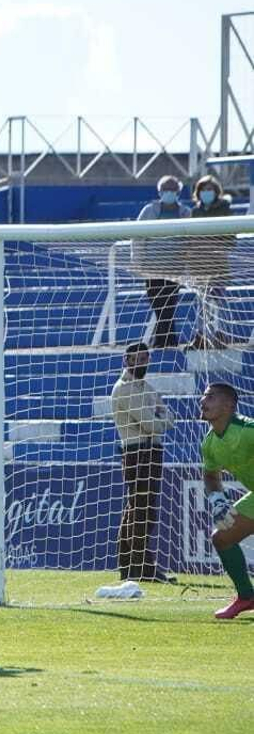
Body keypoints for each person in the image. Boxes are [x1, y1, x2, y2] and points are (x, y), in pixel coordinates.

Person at [109, 342, 173, 585]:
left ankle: (131, 565)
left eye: (144, 359)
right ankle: (140, 566)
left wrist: (159, 420)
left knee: (140, 507)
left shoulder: (146, 387)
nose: (141, 363)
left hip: (150, 450)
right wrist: (159, 419)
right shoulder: (124, 389)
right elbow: (152, 423)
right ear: (126, 361)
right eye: (136, 359)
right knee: (141, 508)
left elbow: (168, 418)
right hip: (137, 452)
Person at [199, 382, 254, 620]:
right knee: (222, 537)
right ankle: (247, 597)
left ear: (229, 405)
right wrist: (218, 500)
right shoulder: (209, 443)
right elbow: (211, 476)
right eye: (203, 396)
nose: (203, 401)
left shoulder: (248, 430)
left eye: (210, 397)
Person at [133, 175, 190, 350]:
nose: (169, 192)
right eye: (166, 189)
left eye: (173, 189)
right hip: (152, 269)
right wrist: (138, 262)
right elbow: (138, 237)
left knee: (169, 304)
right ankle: (167, 340)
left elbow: (190, 241)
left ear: (178, 192)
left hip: (175, 269)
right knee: (158, 305)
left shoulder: (186, 213)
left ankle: (163, 341)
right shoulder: (148, 211)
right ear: (159, 192)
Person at [186, 174, 235, 350]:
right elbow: (190, 238)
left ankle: (221, 335)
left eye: (210, 189)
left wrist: (211, 243)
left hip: (218, 264)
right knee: (201, 302)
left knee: (220, 301)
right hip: (199, 265)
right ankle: (201, 336)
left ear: (216, 191)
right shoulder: (195, 212)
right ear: (198, 192)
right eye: (203, 189)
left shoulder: (225, 210)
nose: (206, 192)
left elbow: (231, 239)